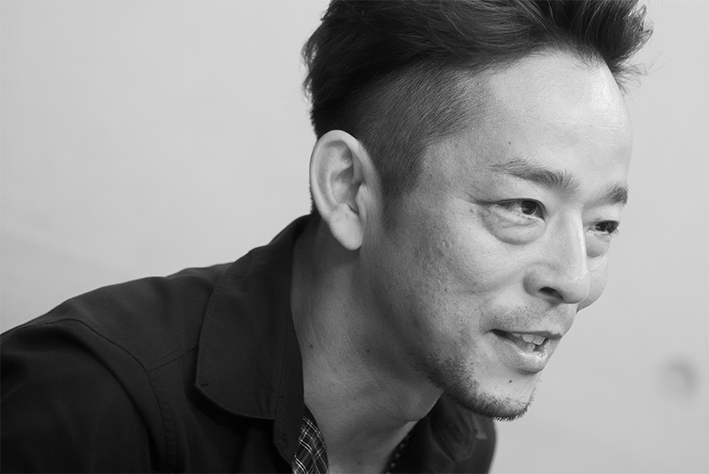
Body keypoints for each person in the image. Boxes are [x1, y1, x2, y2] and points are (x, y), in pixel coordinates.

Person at [0, 1, 651, 473]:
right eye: (523, 207)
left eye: (602, 224)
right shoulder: (86, 409)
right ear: (348, 188)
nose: (576, 280)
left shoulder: (459, 436)